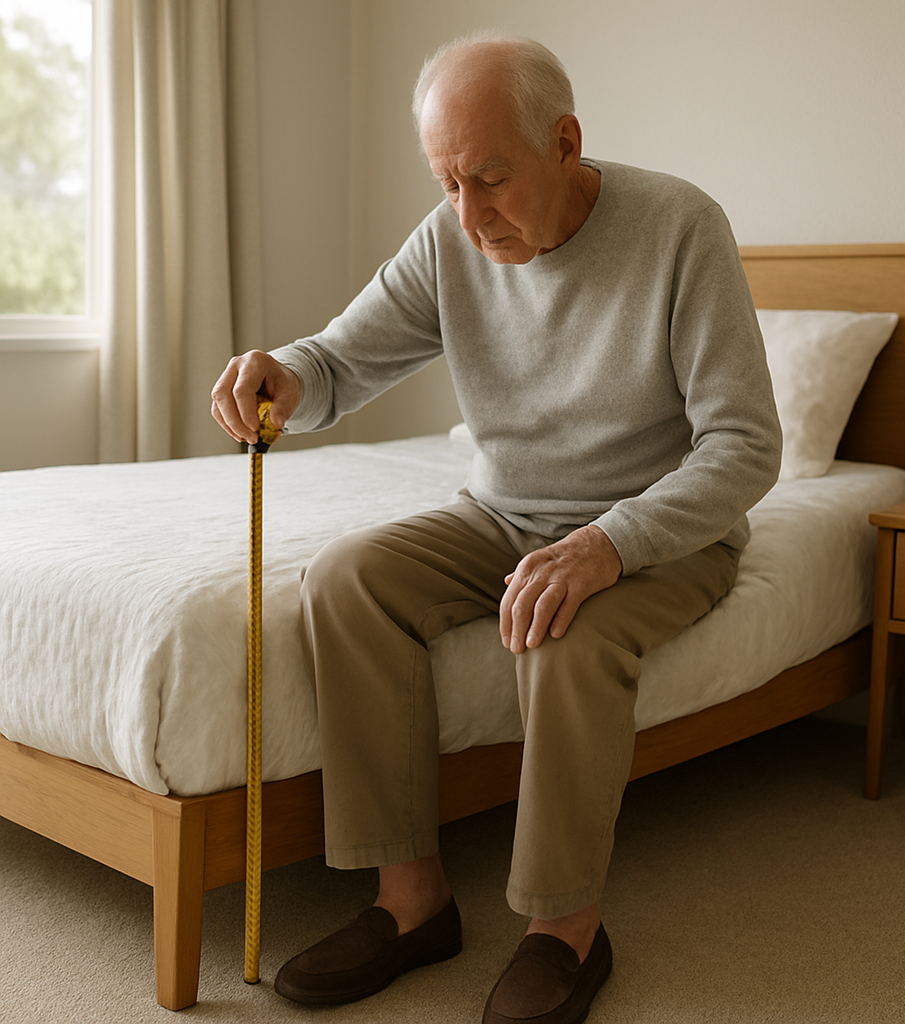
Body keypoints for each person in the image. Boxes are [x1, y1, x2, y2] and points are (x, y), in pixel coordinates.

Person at [211, 31, 781, 1024]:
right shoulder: (449, 237)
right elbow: (340, 361)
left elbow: (743, 448)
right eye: (446, 183)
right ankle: (412, 900)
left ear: (564, 142)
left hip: (656, 534)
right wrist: (286, 376)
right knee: (348, 578)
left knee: (566, 629)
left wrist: (606, 545)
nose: (469, 217)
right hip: (503, 512)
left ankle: (565, 929)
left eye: (489, 179)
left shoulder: (681, 226)